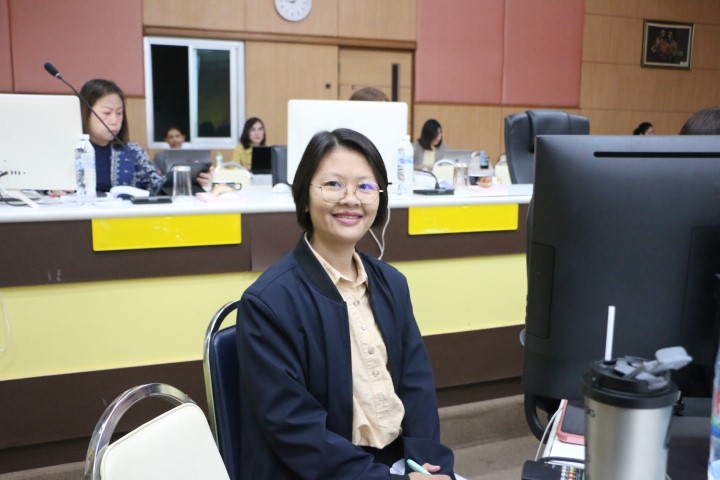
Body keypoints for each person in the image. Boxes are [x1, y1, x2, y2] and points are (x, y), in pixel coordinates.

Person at [236, 128, 458, 479]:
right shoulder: (268, 303)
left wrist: (429, 464)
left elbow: (417, 387)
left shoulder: (392, 283)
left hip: (401, 463)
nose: (351, 199)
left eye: (365, 186)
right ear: (304, 197)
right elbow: (297, 431)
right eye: (333, 184)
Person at [79, 79, 165, 194]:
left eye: (119, 113)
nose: (114, 121)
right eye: (107, 113)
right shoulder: (69, 151)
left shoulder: (133, 151)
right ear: (86, 113)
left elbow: (158, 186)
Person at [152, 126, 213, 191]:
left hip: (191, 188)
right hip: (167, 188)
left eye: (177, 136)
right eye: (171, 137)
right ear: (166, 140)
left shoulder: (193, 155)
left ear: (183, 137)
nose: (175, 139)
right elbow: (155, 176)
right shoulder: (159, 156)